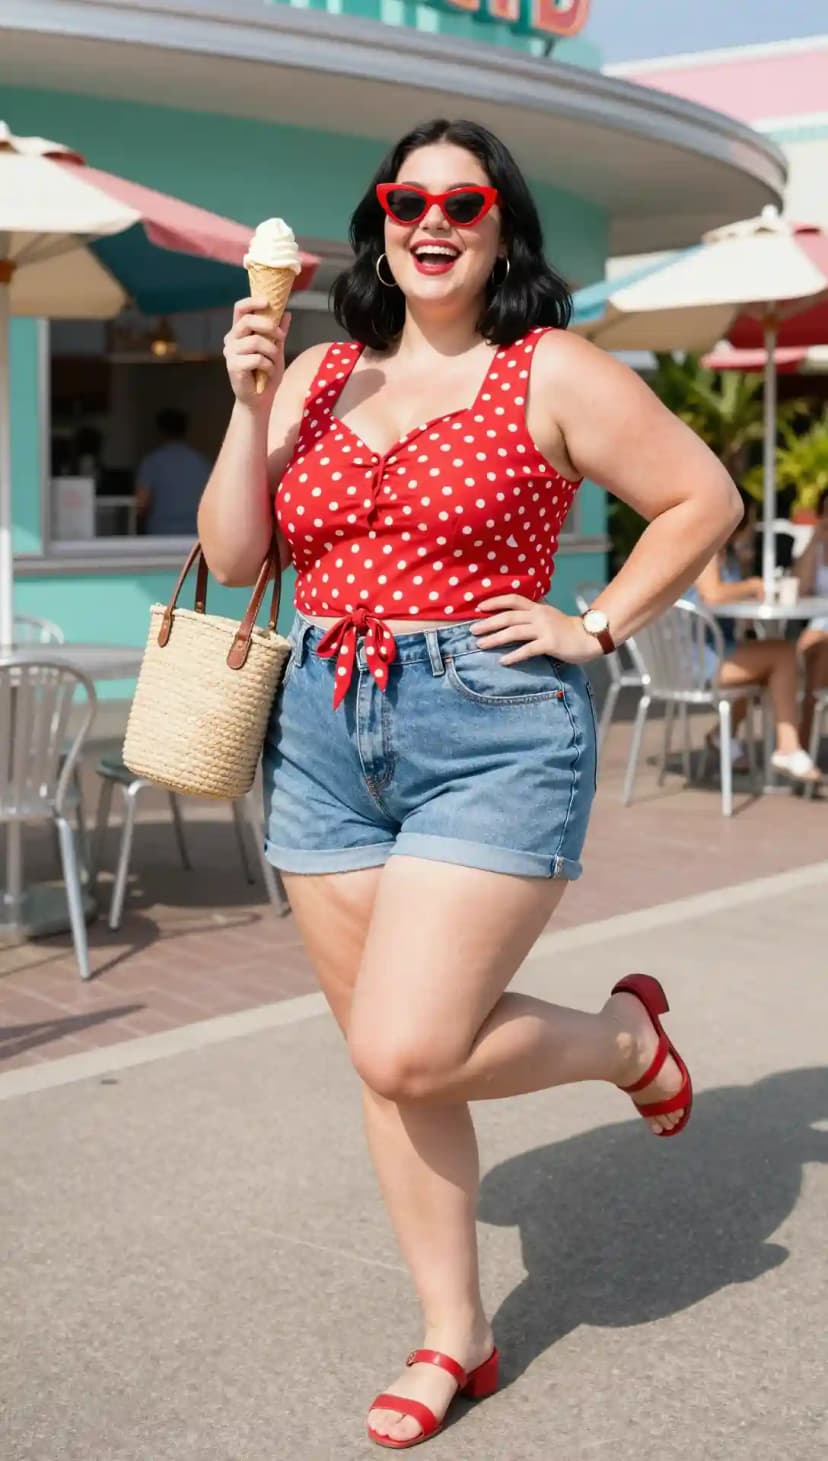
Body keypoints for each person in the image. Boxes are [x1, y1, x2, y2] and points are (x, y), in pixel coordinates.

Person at [198, 118, 741, 1450]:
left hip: (488, 723)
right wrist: (247, 399)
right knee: (391, 1073)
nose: (431, 219)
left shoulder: (543, 368)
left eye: (465, 200)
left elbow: (702, 496)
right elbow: (229, 559)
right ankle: (459, 1336)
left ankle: (625, 1040)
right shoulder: (318, 372)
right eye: (406, 198)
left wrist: (595, 622)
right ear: (378, 219)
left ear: (503, 227)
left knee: (409, 1039)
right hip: (316, 726)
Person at [691, 495, 821, 784]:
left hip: (714, 648)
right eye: (749, 520)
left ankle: (721, 736)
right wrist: (750, 585)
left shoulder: (726, 552)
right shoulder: (704, 548)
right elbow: (712, 594)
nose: (752, 527)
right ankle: (788, 748)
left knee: (772, 667)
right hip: (694, 660)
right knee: (783, 655)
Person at [135, 408, 210, 536]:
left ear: (160, 431)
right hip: (196, 534)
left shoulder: (153, 462)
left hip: (161, 534)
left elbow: (141, 504)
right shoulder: (201, 462)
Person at [794, 486, 828, 751]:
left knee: (814, 648)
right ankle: (800, 747)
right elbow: (801, 588)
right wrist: (817, 539)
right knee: (808, 653)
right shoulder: (817, 548)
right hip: (818, 625)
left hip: (819, 631)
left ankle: (801, 747)